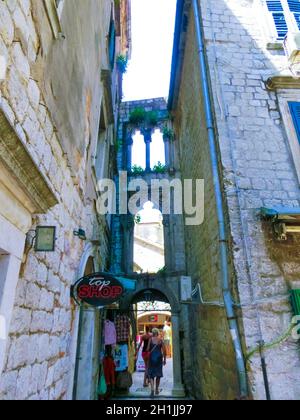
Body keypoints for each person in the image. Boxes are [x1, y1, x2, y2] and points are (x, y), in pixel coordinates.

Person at [147, 328, 167, 398]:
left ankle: (152, 389)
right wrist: (164, 359)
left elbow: (147, 349)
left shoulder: (150, 339)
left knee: (151, 374)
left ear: (153, 333)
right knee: (158, 374)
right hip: (159, 358)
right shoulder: (160, 340)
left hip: (152, 358)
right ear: (157, 333)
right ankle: (156, 389)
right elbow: (164, 350)